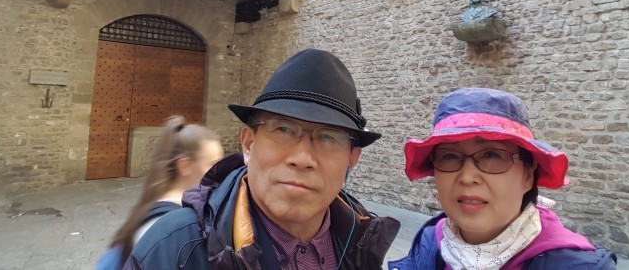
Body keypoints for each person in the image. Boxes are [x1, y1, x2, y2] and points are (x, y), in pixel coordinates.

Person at [124, 48, 401, 269]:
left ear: (352, 158)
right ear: (248, 143)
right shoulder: (175, 249)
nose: (302, 158)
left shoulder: (362, 244)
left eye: (329, 137)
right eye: (283, 129)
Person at [388, 87, 617, 270]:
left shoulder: (575, 265)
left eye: (492, 155)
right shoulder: (430, 241)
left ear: (528, 175)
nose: (467, 177)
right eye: (449, 156)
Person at [95, 116, 224, 270]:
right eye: (213, 165)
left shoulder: (161, 203)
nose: (221, 173)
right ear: (185, 165)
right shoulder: (166, 226)